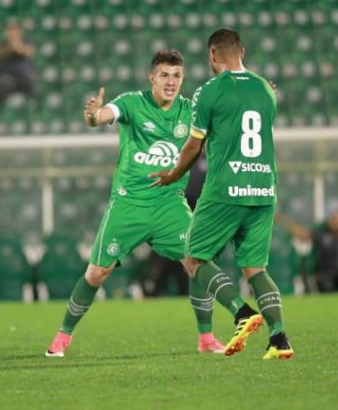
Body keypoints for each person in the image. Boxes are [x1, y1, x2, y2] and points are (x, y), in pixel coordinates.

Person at [45, 49, 226, 358]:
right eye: (164, 75)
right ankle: (63, 335)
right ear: (151, 77)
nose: (171, 82)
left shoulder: (191, 110)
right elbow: (103, 116)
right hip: (130, 204)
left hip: (170, 203)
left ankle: (206, 337)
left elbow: (224, 121)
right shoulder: (132, 102)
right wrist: (92, 114)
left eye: (177, 76)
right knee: (96, 273)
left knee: (198, 261)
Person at [150, 28, 294, 360]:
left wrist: (173, 174)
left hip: (226, 189)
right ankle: (279, 339)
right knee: (255, 269)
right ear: (241, 51)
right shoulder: (266, 89)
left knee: (195, 259)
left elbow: (193, 146)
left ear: (213, 56)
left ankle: (242, 314)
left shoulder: (209, 92)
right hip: (263, 189)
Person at [276, 210, 338, 294]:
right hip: (325, 276)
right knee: (327, 289)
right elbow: (303, 234)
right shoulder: (323, 235)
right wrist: (283, 221)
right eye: (335, 220)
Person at [0, 20, 36, 99]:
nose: (13, 33)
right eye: (10, 30)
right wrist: (10, 47)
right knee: (1, 81)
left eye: (15, 30)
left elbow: (30, 52)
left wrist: (18, 47)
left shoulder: (26, 41)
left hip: (24, 74)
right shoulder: (2, 43)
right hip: (7, 74)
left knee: (31, 78)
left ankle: (32, 104)